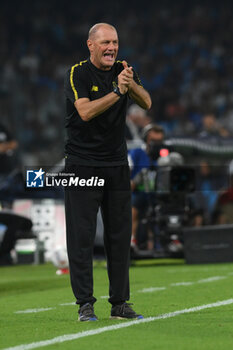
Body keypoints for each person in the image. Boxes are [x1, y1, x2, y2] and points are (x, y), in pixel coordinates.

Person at [64, 23, 151, 321]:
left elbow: (147, 102)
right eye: (105, 43)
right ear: (91, 45)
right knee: (82, 237)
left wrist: (130, 83)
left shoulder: (124, 71)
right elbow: (85, 112)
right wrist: (117, 91)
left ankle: (120, 303)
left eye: (115, 42)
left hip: (116, 164)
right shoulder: (77, 73)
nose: (111, 47)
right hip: (82, 164)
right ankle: (85, 304)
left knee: (119, 236)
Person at [129, 124, 165, 250]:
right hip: (138, 192)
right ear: (146, 139)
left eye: (159, 141)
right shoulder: (136, 153)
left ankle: (158, 244)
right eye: (153, 141)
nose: (156, 144)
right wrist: (136, 180)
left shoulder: (163, 155)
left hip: (157, 193)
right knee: (134, 209)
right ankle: (131, 240)